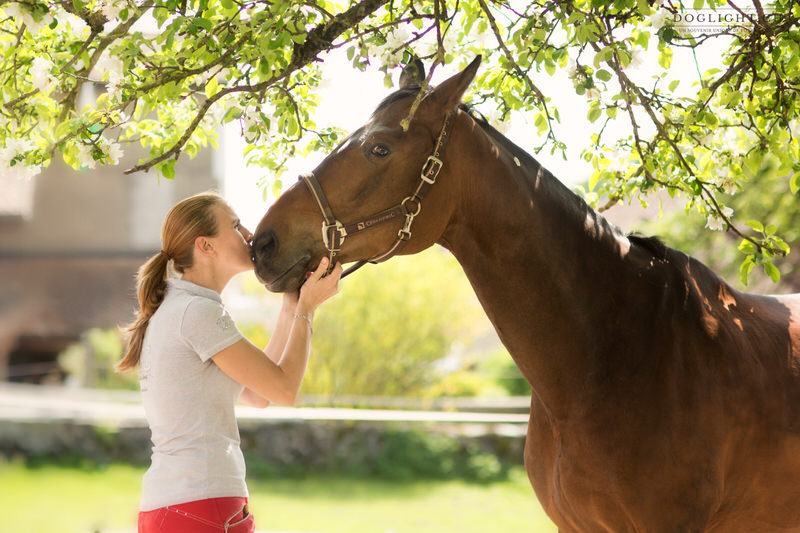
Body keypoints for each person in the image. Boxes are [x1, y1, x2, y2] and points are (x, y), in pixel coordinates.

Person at [116, 191, 342, 533]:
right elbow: (284, 390)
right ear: (206, 246)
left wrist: (291, 304)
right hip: (201, 507)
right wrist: (307, 312)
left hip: (177, 507)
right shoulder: (197, 312)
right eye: (236, 225)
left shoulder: (184, 307)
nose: (250, 234)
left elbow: (258, 394)